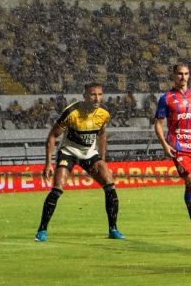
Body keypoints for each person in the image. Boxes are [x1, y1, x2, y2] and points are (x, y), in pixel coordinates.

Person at [35, 83, 124, 242]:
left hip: (89, 153)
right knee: (57, 189)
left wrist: (102, 158)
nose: (97, 98)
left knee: (110, 185)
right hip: (69, 152)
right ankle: (42, 230)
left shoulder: (103, 114)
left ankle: (113, 229)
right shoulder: (71, 112)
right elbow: (52, 136)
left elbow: (102, 134)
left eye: (99, 94)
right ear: (84, 95)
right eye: (93, 94)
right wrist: (48, 163)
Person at [154, 63, 191, 236]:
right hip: (179, 146)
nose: (183, 77)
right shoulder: (166, 98)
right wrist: (165, 145)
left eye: (186, 74)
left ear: (189, 75)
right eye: (180, 74)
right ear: (173, 76)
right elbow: (158, 124)